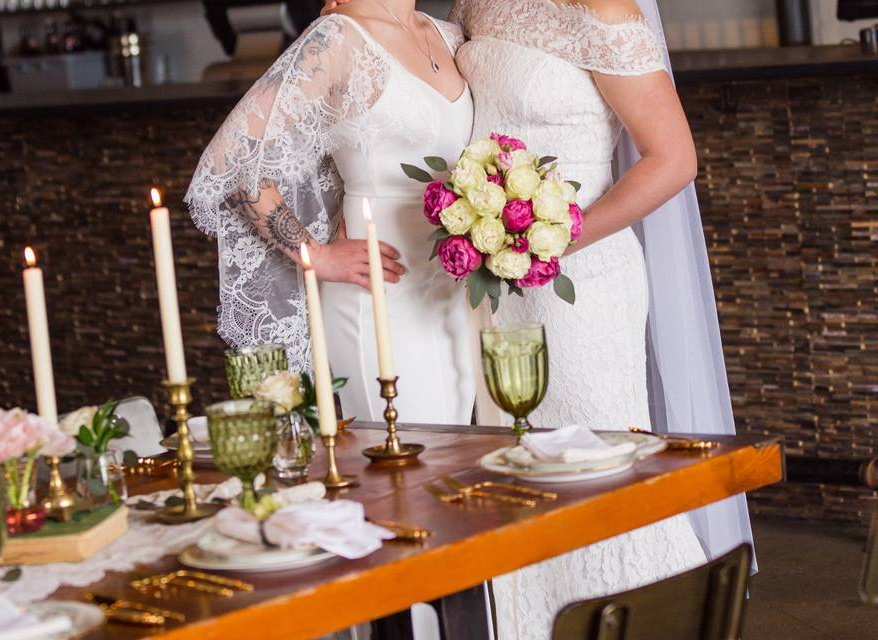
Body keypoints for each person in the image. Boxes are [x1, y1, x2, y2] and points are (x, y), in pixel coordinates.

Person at [322, 0, 754, 638]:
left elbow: (673, 159)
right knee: (515, 473)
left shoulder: (605, 9)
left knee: (593, 467)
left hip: (580, 273)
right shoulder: (475, 4)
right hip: (491, 276)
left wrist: (554, 241)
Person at [185, 0, 477, 427]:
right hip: (379, 292)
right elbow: (232, 158)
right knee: (411, 458)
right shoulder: (339, 38)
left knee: (456, 456)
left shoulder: (447, 35)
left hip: (451, 292)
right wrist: (314, 255)